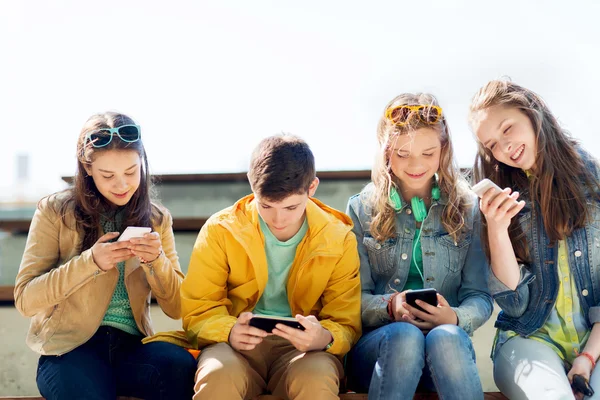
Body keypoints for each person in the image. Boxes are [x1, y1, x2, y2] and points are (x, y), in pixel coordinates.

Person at [149, 134, 361, 400]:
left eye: (291, 207)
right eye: (266, 205)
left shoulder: (338, 237)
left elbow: (346, 322)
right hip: (234, 347)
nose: (278, 219)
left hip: (306, 352)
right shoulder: (221, 230)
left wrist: (324, 338)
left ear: (312, 187)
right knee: (217, 375)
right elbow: (198, 311)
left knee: (316, 380)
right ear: (252, 185)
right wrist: (228, 331)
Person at [14, 112, 197, 400]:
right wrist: (91, 263)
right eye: (108, 175)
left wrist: (156, 261)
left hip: (132, 349)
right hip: (69, 352)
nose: (122, 184)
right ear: (87, 169)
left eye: (131, 172)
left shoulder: (158, 219)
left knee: (182, 367)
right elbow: (26, 298)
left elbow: (178, 307)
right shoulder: (54, 211)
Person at [345, 93, 493, 400]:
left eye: (428, 153)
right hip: (380, 349)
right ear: (386, 153)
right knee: (405, 335)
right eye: (403, 154)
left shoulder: (468, 209)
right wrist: (390, 306)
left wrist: (453, 318)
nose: (416, 165)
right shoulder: (361, 209)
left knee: (448, 337)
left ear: (443, 151)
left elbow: (479, 296)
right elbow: (348, 300)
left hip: (443, 351)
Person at [469, 79, 600, 400]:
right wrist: (498, 229)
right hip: (528, 339)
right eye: (491, 145)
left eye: (507, 128)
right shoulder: (498, 199)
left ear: (532, 112)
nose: (503, 148)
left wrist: (587, 358)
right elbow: (515, 304)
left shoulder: (594, 181)